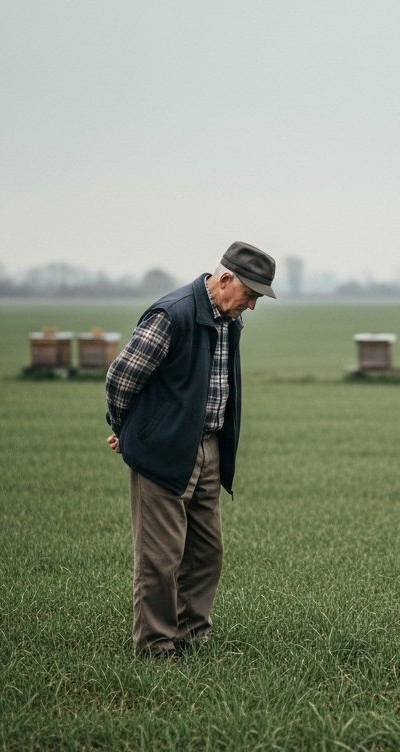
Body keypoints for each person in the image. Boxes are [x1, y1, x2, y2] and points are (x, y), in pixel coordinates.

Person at [104, 241, 276, 660]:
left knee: (206, 552)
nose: (251, 306)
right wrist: (126, 429)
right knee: (161, 557)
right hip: (164, 452)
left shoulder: (228, 321)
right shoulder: (173, 314)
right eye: (250, 294)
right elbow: (121, 378)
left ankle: (193, 637)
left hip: (209, 448)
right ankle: (156, 646)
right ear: (225, 278)